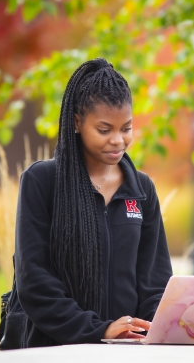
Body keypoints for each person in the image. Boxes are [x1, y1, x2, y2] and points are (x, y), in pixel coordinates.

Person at [13, 58, 173, 347]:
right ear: (77, 122)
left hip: (127, 351)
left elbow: (154, 283)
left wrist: (162, 327)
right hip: (55, 349)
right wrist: (99, 329)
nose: (118, 140)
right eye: (104, 130)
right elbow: (34, 282)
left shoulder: (142, 189)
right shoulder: (43, 181)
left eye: (126, 128)